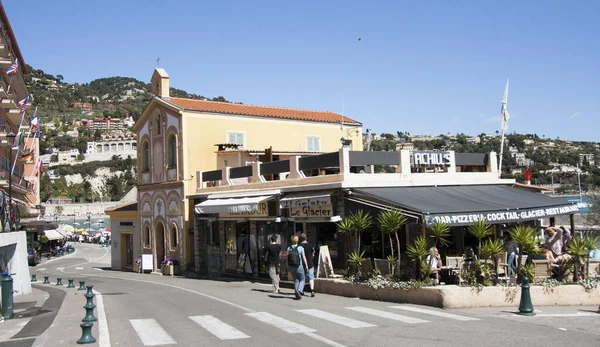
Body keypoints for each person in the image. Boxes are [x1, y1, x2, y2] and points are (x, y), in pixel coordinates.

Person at [287, 235, 308, 300]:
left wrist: (287, 265)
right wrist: (306, 265)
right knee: (302, 279)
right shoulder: (300, 248)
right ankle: (299, 291)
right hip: (299, 265)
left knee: (296, 280)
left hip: (291, 265)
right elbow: (303, 257)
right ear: (297, 240)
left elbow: (287, 258)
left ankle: (296, 292)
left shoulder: (289, 248)